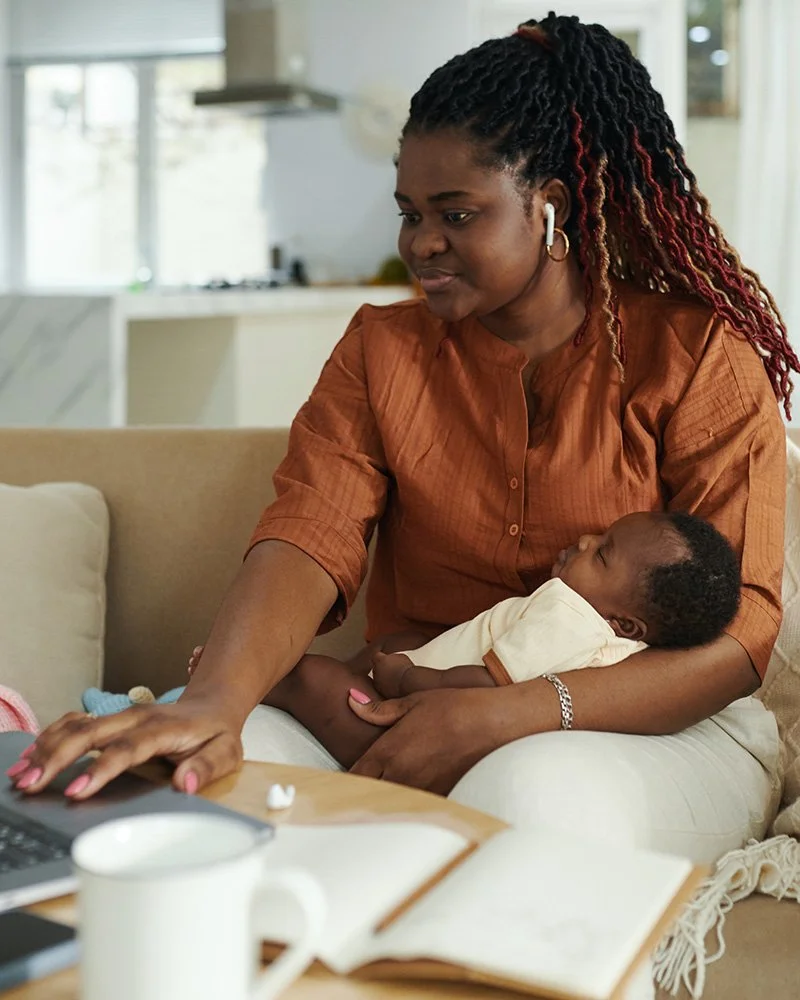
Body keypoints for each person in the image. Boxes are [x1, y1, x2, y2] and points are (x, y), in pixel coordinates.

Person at [7, 14, 794, 873]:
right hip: (398, 700)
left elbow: (740, 637)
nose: (422, 242)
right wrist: (216, 701)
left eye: (457, 213)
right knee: (202, 785)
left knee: (525, 795)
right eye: (409, 212)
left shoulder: (700, 358)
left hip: (651, 726)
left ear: (551, 206)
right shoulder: (381, 349)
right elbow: (309, 534)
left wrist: (505, 714)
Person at [187, 510, 742, 768]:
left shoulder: (569, 614)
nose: (586, 535)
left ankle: (269, 682)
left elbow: (485, 684)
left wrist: (408, 678)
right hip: (447, 700)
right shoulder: (615, 644)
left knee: (321, 678)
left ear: (626, 624)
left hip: (417, 714)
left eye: (602, 552)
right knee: (399, 637)